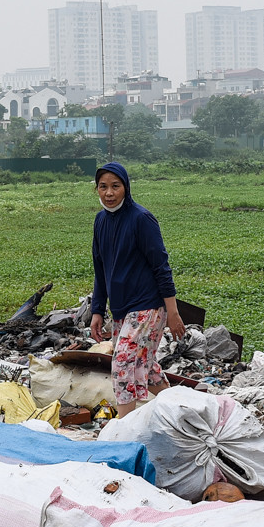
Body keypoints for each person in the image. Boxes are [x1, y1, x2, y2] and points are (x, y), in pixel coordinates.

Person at [89, 162, 186, 417]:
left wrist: (172, 312)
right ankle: (182, 410)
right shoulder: (100, 221)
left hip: (148, 306)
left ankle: (125, 429)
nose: (109, 193)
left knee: (122, 363)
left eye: (115, 187)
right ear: (97, 189)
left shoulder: (141, 219)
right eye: (103, 187)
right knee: (145, 364)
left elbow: (161, 267)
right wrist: (97, 310)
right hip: (122, 308)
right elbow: (100, 269)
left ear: (126, 188)